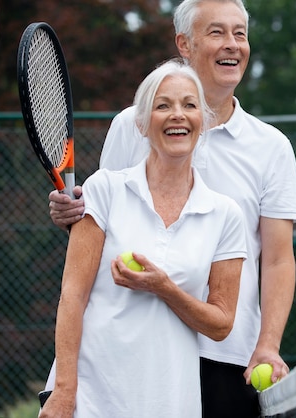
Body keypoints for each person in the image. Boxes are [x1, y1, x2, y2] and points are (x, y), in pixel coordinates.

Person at [48, 0, 296, 416]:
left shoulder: (272, 147)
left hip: (229, 357)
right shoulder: (130, 125)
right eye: (217, 32)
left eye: (240, 33)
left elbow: (277, 260)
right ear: (183, 43)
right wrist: (69, 217)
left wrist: (267, 344)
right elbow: (102, 231)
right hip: (124, 352)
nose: (232, 44)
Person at [39, 60, 247, 417]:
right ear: (141, 123)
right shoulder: (105, 189)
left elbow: (221, 324)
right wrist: (63, 392)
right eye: (162, 106)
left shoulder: (225, 215)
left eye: (189, 105)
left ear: (204, 121)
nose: (177, 115)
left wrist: (164, 288)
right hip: (88, 398)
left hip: (170, 402)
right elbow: (72, 297)